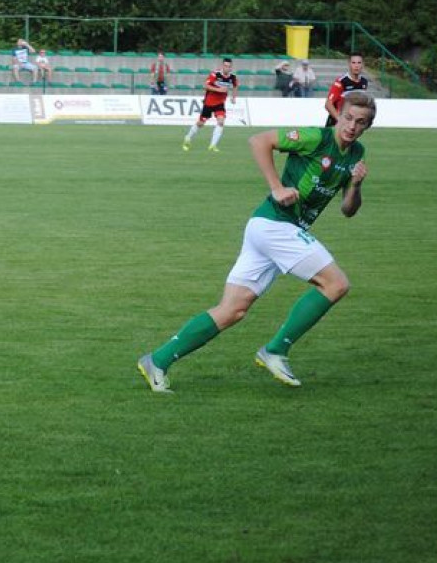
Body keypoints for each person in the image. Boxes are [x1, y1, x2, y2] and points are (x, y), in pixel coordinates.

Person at [138, 91, 374, 394]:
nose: (352, 126)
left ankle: (156, 361)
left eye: (361, 122)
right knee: (336, 284)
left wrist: (355, 186)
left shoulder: (356, 155)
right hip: (276, 226)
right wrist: (276, 186)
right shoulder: (316, 137)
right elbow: (259, 140)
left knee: (232, 310)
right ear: (338, 113)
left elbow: (348, 210)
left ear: (368, 126)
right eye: (349, 118)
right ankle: (275, 350)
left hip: (271, 231)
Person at [182, 57, 239, 152]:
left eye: (229, 66)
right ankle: (188, 137)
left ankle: (212, 145)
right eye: (225, 66)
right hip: (209, 103)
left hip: (220, 104)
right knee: (200, 123)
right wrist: (219, 90)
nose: (226, 68)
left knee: (221, 122)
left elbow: (236, 86)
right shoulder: (215, 74)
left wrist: (233, 97)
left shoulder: (232, 77)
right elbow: (206, 86)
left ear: (231, 68)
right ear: (222, 66)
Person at [325, 53, 368, 126]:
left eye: (359, 63)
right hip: (336, 122)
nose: (356, 66)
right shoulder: (341, 81)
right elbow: (328, 104)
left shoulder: (364, 82)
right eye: (353, 63)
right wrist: (339, 119)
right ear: (349, 64)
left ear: (363, 64)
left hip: (352, 124)